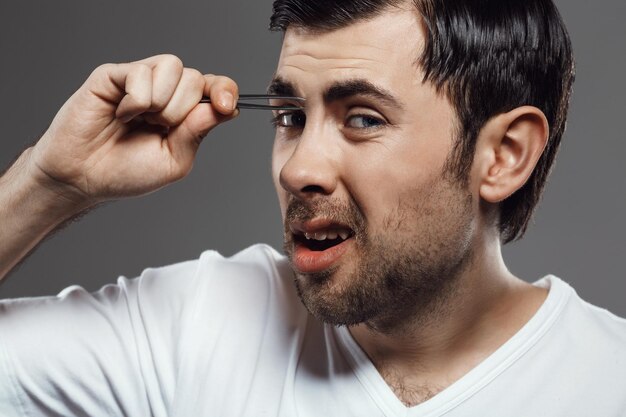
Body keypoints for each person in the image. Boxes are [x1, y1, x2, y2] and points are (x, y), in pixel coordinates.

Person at [0, 0, 624, 415]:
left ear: (505, 156)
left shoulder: (608, 381)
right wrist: (49, 183)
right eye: (292, 117)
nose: (298, 169)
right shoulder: (199, 324)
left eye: (362, 118)